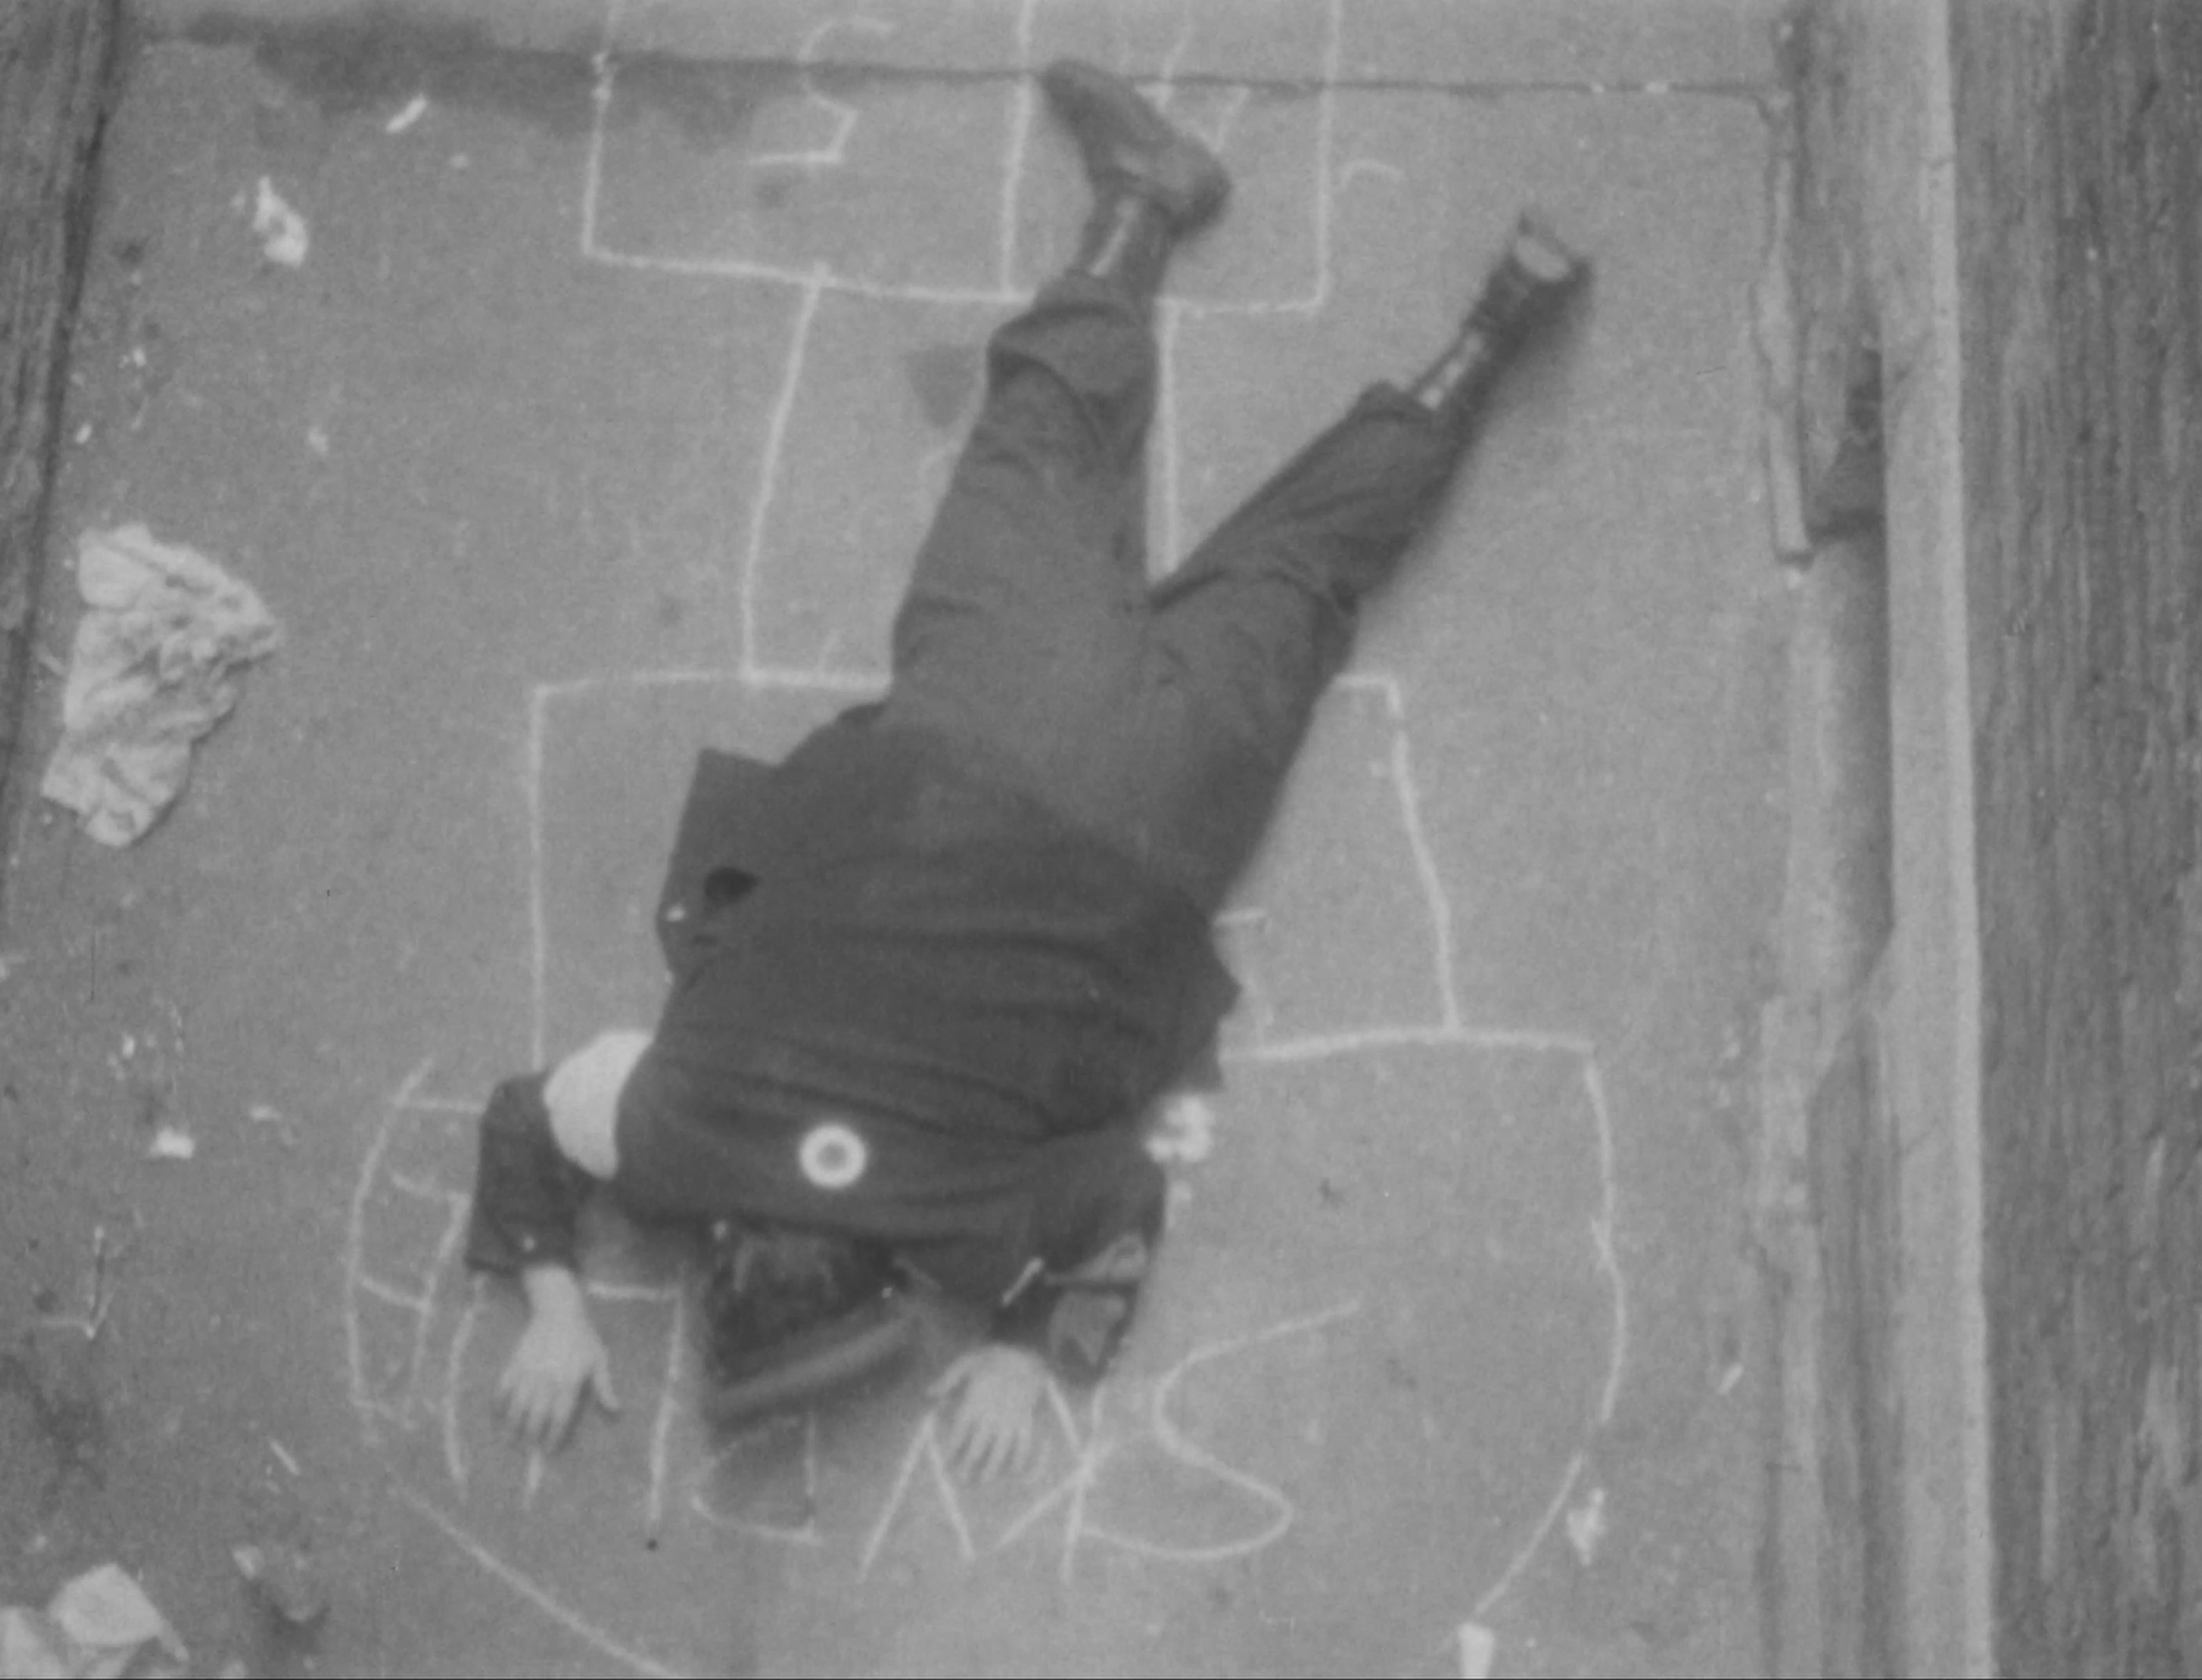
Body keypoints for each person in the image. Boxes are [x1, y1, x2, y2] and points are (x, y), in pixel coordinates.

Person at [464, 58, 1588, 1481]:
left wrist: (1019, 1342)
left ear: (882, 1283)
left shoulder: (970, 1228)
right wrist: (551, 1302)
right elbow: (520, 1118)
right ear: (729, 1251)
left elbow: (1125, 1191)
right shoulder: (668, 1132)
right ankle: (1136, 206)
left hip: (1149, 816)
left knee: (1303, 565)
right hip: (968, 739)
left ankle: (1493, 328)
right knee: (1041, 441)